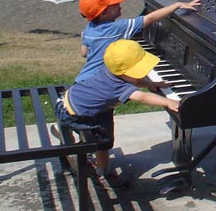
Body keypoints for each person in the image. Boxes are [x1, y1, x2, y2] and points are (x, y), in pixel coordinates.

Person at [55, 39, 179, 190]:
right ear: (126, 72)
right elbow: (142, 97)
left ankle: (65, 133)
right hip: (78, 115)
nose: (142, 73)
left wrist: (152, 84)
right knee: (104, 137)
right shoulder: (118, 87)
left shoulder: (110, 73)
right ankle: (102, 172)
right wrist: (168, 102)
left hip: (64, 102)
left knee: (105, 113)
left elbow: (134, 82)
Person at [75, 0, 202, 83]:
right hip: (101, 83)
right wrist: (177, 5)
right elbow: (150, 19)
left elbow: (84, 53)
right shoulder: (118, 28)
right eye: (115, 3)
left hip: (83, 79)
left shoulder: (88, 29)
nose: (120, 5)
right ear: (103, 13)